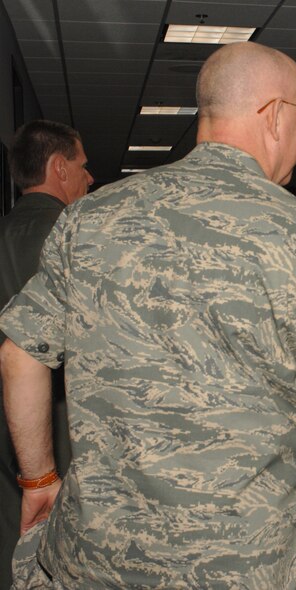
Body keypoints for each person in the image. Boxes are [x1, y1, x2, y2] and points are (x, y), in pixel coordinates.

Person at [0, 41, 296, 589]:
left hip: (101, 556)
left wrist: (38, 480)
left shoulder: (89, 218)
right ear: (276, 115)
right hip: (240, 563)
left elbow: (19, 353)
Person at [0, 119, 92, 590]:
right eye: (82, 165)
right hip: (60, 423)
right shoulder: (76, 237)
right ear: (59, 168)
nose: (89, 177)